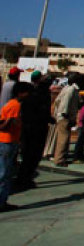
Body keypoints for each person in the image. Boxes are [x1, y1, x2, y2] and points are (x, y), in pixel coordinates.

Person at [16, 71, 53, 188]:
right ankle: (24, 178)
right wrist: (48, 118)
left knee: (28, 155)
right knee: (32, 155)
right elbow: (42, 112)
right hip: (36, 128)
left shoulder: (31, 94)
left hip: (28, 128)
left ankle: (23, 178)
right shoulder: (42, 95)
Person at [1, 82, 31, 212]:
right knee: (4, 174)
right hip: (7, 142)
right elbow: (6, 124)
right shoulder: (15, 106)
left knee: (5, 173)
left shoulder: (12, 104)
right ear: (21, 93)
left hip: (8, 141)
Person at [53, 73, 81, 167]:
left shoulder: (67, 88)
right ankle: (60, 159)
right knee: (63, 139)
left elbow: (57, 101)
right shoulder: (71, 90)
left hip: (63, 116)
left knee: (63, 138)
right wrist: (65, 115)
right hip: (65, 117)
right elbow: (65, 103)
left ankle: (60, 157)